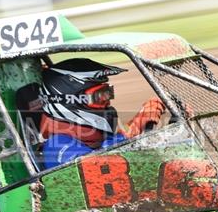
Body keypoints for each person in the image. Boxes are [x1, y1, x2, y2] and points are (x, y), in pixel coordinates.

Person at [38, 58, 166, 169]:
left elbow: (114, 145)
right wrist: (133, 130)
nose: (106, 103)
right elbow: (95, 169)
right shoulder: (57, 145)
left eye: (107, 94)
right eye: (99, 97)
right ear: (70, 101)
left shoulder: (97, 141)